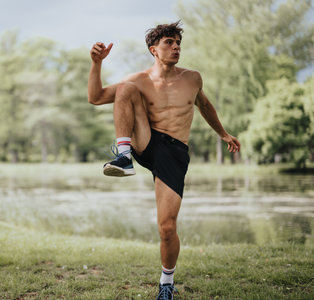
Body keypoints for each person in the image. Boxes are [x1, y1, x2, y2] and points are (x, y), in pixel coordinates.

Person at [87, 21, 240, 300]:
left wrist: (224, 133)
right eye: (169, 42)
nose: (176, 47)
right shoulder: (140, 79)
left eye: (178, 42)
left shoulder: (192, 78)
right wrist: (96, 64)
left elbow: (204, 105)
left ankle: (166, 284)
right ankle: (123, 157)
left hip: (175, 152)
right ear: (153, 50)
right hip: (146, 140)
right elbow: (95, 98)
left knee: (167, 228)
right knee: (125, 89)